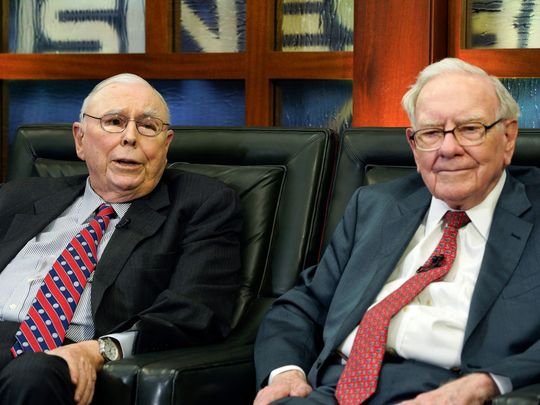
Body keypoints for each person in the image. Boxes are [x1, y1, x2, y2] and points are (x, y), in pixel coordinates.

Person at [254, 57, 540, 404]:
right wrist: (286, 372)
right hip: (333, 388)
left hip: (448, 390)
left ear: (508, 137)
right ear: (413, 145)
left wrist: (486, 384)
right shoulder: (375, 205)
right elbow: (303, 305)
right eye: (432, 133)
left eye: (469, 129)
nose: (448, 149)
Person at [0, 73, 242, 405]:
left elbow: (195, 313)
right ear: (80, 139)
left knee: (33, 374)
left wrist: (99, 350)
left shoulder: (202, 204)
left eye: (148, 126)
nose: (130, 137)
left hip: (59, 358)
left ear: (166, 143)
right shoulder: (16, 197)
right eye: (114, 122)